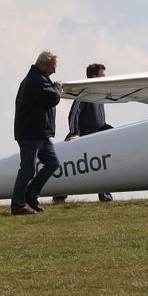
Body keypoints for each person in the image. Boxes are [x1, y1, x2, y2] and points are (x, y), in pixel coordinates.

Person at [11, 50, 63, 215]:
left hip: (40, 133)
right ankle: (17, 205)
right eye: (53, 67)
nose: (54, 71)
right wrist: (58, 86)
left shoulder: (38, 79)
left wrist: (53, 86)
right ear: (44, 65)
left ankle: (31, 194)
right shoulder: (36, 80)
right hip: (31, 134)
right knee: (27, 169)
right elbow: (53, 98)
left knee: (53, 163)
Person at [53, 63, 114, 204]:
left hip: (97, 138)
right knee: (75, 169)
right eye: (102, 75)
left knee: (101, 167)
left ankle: (105, 196)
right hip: (83, 139)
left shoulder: (99, 95)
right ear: (94, 76)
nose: (105, 78)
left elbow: (99, 121)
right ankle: (59, 196)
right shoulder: (85, 93)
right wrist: (75, 133)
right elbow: (74, 114)